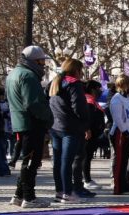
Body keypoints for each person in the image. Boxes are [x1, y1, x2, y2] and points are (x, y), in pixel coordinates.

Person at [6, 46, 54, 208]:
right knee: (32, 162)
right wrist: (47, 118)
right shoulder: (28, 76)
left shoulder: (14, 73)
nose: (43, 64)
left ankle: (18, 195)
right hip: (32, 123)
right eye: (41, 61)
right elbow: (33, 103)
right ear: (34, 61)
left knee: (27, 159)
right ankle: (29, 197)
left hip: (21, 122)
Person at [49, 58, 90, 204]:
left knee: (58, 161)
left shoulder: (55, 82)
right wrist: (85, 124)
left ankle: (60, 191)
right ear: (76, 70)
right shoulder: (74, 84)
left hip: (55, 126)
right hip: (70, 127)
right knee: (67, 162)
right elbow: (79, 106)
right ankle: (67, 192)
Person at [109, 74, 129, 195]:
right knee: (120, 160)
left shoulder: (127, 98)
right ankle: (118, 186)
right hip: (120, 133)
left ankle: (124, 183)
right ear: (124, 85)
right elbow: (118, 118)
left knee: (125, 161)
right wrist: (125, 131)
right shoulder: (117, 99)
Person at [82, 80, 106, 191]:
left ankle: (87, 179)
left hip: (94, 134)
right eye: (98, 88)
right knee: (86, 157)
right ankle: (86, 179)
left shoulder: (92, 100)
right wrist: (89, 130)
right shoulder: (88, 100)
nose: (100, 91)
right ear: (92, 89)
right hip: (89, 135)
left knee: (88, 157)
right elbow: (90, 118)